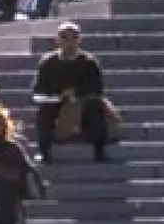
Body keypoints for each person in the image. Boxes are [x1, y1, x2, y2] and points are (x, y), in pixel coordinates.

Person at [32, 21, 114, 164]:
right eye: (64, 37)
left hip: (83, 105)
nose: (69, 42)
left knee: (96, 106)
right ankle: (44, 152)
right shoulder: (48, 62)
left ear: (79, 39)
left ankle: (99, 151)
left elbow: (97, 90)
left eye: (74, 37)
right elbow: (38, 92)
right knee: (44, 111)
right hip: (57, 105)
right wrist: (59, 97)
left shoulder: (89, 62)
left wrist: (76, 95)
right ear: (57, 40)